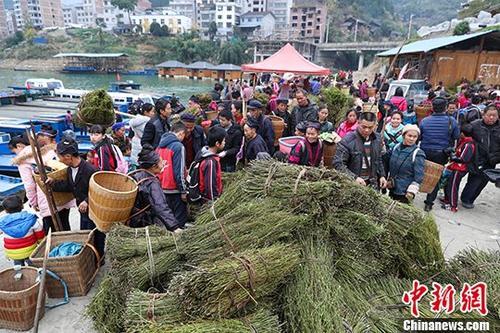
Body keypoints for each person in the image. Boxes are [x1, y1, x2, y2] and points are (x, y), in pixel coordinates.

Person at [50, 138, 105, 257]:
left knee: (96, 234)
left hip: (94, 211)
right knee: (85, 235)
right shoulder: (70, 169)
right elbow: (70, 185)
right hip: (83, 211)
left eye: (60, 156)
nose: (59, 160)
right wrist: (52, 183)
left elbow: (100, 191)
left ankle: (99, 258)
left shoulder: (91, 170)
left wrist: (87, 201)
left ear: (68, 156)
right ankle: (89, 257)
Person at [10, 135, 74, 234]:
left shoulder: (22, 161)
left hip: (46, 197)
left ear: (19, 146)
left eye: (14, 151)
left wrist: (33, 202)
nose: (15, 154)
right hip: (62, 194)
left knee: (50, 230)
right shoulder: (48, 151)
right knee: (65, 223)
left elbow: (30, 185)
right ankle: (69, 247)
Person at [419, 97, 460, 211]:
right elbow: (456, 136)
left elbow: (420, 137)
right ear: (446, 108)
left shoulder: (424, 121)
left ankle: (411, 194)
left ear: (432, 107)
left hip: (425, 151)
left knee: (420, 174)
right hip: (441, 154)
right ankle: (429, 203)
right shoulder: (452, 121)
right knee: (435, 178)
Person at [129, 145, 181, 231]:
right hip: (145, 223)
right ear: (154, 166)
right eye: (161, 162)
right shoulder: (152, 183)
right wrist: (174, 227)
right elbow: (160, 206)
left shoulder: (136, 175)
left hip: (134, 220)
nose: (163, 164)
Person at [333, 112, 387, 189]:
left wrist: (382, 175)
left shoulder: (377, 139)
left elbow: (378, 159)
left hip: (372, 184)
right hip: (353, 185)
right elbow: (338, 163)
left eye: (370, 127)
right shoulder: (348, 141)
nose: (367, 130)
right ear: (358, 123)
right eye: (364, 127)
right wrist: (354, 178)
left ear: (375, 125)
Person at [461, 104, 500, 208]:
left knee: (484, 181)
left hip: (493, 160)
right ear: (483, 115)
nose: (491, 118)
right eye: (489, 115)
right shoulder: (475, 125)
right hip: (478, 160)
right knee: (474, 180)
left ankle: (471, 199)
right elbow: (464, 135)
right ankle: (465, 199)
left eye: (494, 115)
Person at [157, 122, 188, 228]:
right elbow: (179, 171)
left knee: (168, 221)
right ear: (181, 133)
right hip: (175, 189)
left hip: (162, 187)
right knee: (179, 222)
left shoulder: (160, 145)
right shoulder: (178, 146)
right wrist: (183, 190)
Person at [0, 195, 45, 266]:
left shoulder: (2, 222)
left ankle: (19, 273)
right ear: (22, 206)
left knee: (18, 266)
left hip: (12, 252)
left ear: (5, 210)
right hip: (30, 249)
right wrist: (41, 243)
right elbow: (39, 233)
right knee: (33, 265)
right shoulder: (30, 218)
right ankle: (34, 272)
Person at [387, 125, 426, 204]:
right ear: (403, 135)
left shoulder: (418, 153)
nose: (412, 139)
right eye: (409, 136)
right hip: (393, 186)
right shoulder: (396, 147)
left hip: (405, 191)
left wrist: (412, 191)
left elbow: (419, 175)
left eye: (415, 137)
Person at [442, 126, 476, 212]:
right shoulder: (464, 141)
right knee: (448, 184)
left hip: (459, 169)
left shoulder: (468, 144)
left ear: (463, 133)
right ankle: (447, 200)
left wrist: (452, 156)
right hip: (455, 167)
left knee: (453, 186)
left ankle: (453, 205)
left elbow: (463, 159)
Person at [195, 126, 226, 202]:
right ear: (217, 143)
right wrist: (215, 202)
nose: (225, 143)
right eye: (224, 141)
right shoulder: (210, 162)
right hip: (208, 201)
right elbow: (210, 186)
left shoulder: (202, 152)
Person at [129, 102, 156, 167]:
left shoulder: (135, 120)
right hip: (142, 145)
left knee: (135, 164)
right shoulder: (147, 123)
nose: (154, 113)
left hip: (135, 142)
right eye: (152, 111)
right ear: (146, 112)